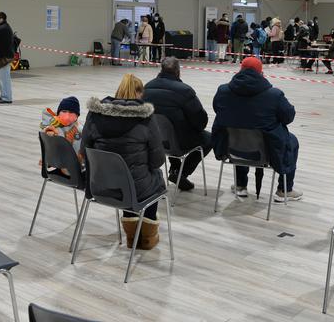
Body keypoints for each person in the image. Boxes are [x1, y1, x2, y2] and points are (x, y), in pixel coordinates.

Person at [81, 74, 165, 250]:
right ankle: (147, 237)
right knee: (156, 177)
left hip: (100, 186)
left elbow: (84, 150)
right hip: (135, 189)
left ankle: (131, 235)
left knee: (127, 177)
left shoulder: (95, 115)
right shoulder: (145, 118)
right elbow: (157, 160)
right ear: (139, 93)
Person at [212, 57, 301, 202]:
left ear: (240, 70)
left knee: (238, 131)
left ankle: (240, 186)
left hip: (232, 149)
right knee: (293, 141)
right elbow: (288, 117)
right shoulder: (274, 95)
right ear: (261, 73)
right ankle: (284, 189)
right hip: (267, 151)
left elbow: (218, 110)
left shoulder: (223, 91)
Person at [142, 57, 210, 191]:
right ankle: (181, 173)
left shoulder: (146, 88)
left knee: (166, 132)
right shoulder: (185, 91)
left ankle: (175, 168)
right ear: (178, 72)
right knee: (209, 139)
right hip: (179, 142)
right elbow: (201, 121)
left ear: (161, 69)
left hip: (155, 141)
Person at [42, 96, 83, 173]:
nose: (67, 115)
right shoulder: (54, 127)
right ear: (58, 114)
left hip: (59, 168)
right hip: (74, 173)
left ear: (77, 116)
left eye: (71, 112)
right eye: (64, 111)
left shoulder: (79, 129)